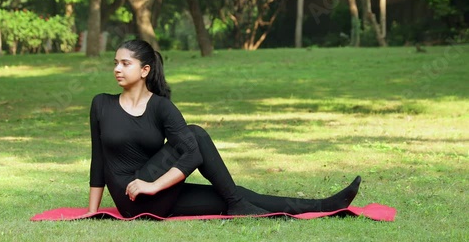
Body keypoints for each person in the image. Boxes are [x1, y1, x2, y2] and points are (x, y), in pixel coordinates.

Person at [87, 39, 361, 218]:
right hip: (131, 196)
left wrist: (154, 185)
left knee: (232, 193)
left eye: (125, 63)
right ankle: (237, 202)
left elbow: (192, 156)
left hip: (155, 191)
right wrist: (92, 212)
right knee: (195, 134)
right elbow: (98, 161)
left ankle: (326, 206)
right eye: (115, 63)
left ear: (145, 70)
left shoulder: (161, 107)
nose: (117, 69)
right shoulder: (101, 104)